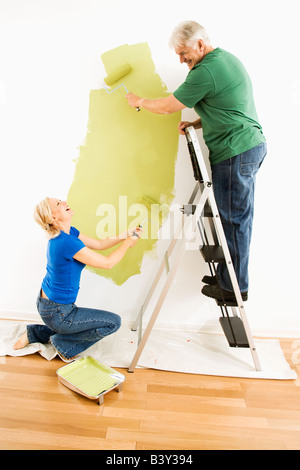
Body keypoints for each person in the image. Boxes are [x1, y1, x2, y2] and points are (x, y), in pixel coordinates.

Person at [126, 20, 267, 304]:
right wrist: (198, 123)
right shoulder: (223, 61)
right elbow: (228, 108)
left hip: (235, 151)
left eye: (183, 53)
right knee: (234, 218)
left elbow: (168, 106)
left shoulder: (206, 71)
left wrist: (139, 101)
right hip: (245, 146)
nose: (180, 60)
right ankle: (230, 279)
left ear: (200, 44)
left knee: (233, 220)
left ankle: (234, 288)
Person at [13, 197, 141, 361]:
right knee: (113, 322)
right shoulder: (66, 242)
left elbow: (100, 244)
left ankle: (35, 333)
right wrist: (128, 243)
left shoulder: (68, 233)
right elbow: (108, 263)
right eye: (58, 204)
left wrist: (126, 234)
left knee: (84, 324)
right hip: (58, 313)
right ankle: (62, 344)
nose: (64, 202)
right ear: (53, 217)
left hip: (48, 305)